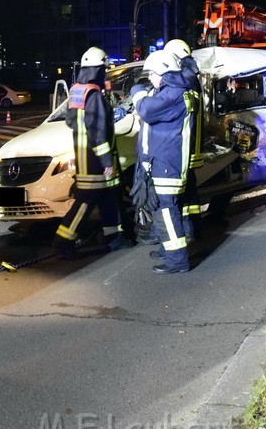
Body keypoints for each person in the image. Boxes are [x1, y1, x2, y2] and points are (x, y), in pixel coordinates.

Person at [52, 47, 131, 259]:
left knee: (107, 198)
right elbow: (97, 131)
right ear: (98, 69)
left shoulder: (77, 90)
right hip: (95, 159)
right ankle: (63, 242)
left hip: (83, 156)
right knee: (85, 201)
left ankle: (114, 238)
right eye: (103, 70)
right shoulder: (94, 95)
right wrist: (107, 161)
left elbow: (71, 121)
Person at [131, 50, 192, 274]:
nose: (149, 78)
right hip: (162, 160)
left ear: (165, 73)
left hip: (167, 163)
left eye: (153, 73)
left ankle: (177, 261)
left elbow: (146, 110)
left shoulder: (174, 94)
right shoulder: (168, 91)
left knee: (167, 209)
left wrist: (137, 92)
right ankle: (169, 251)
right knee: (161, 208)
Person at [164, 38, 204, 240]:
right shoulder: (191, 75)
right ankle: (193, 229)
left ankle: (187, 232)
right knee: (189, 191)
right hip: (190, 144)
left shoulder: (185, 78)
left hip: (184, 145)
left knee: (183, 192)